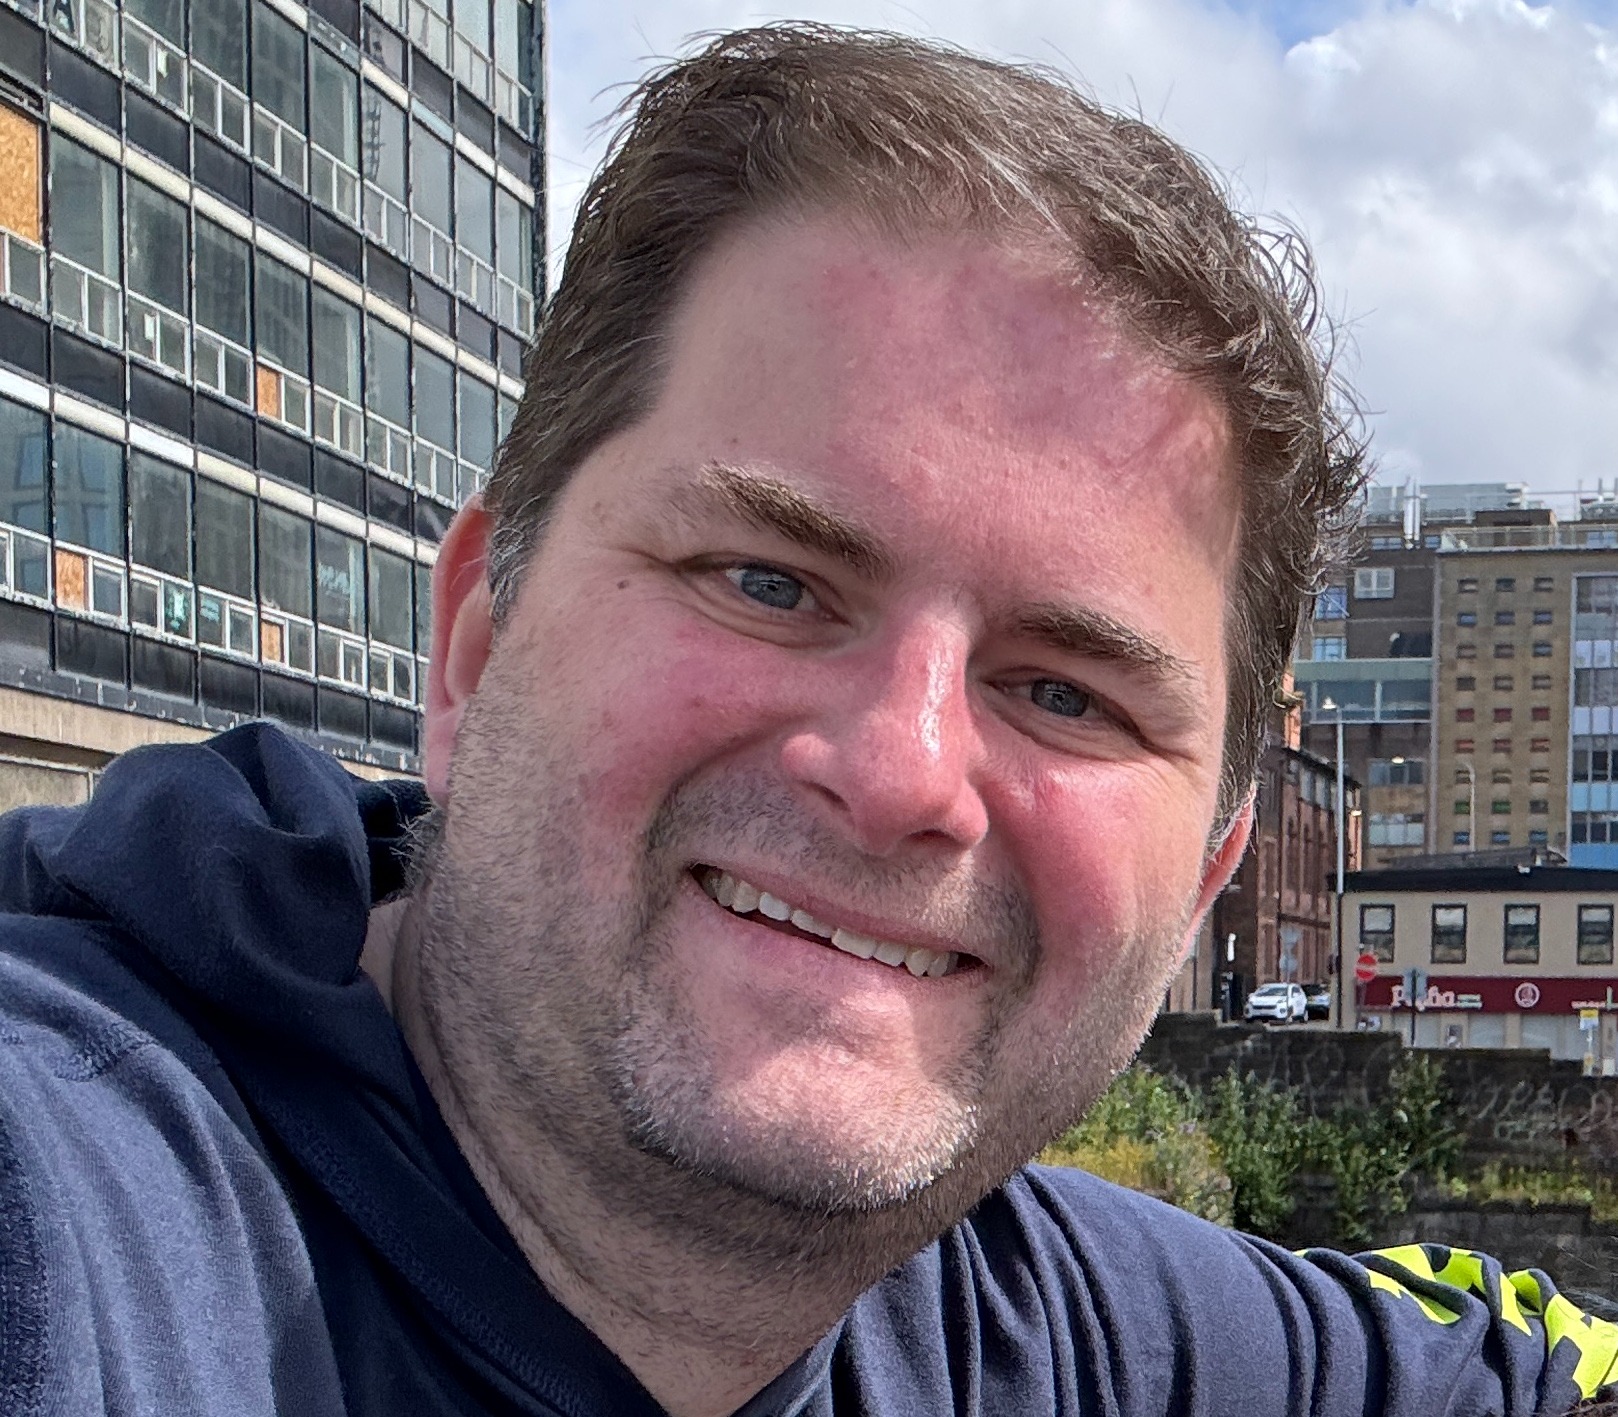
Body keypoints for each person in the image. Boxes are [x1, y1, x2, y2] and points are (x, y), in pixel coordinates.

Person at [0, 22, 1613, 1417]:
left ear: (1204, 873)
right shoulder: (70, 1221)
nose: (902, 770)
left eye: (1064, 691)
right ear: (475, 646)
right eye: (768, 582)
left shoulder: (1048, 1331)